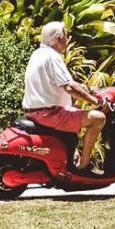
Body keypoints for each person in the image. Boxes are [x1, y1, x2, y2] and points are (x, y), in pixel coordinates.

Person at [22, 21, 106, 173]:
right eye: (66, 35)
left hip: (37, 111)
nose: (68, 39)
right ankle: (84, 165)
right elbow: (69, 87)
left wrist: (89, 89)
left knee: (77, 110)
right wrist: (95, 101)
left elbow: (66, 82)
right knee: (98, 118)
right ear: (59, 39)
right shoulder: (53, 57)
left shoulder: (38, 54)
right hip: (51, 114)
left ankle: (72, 158)